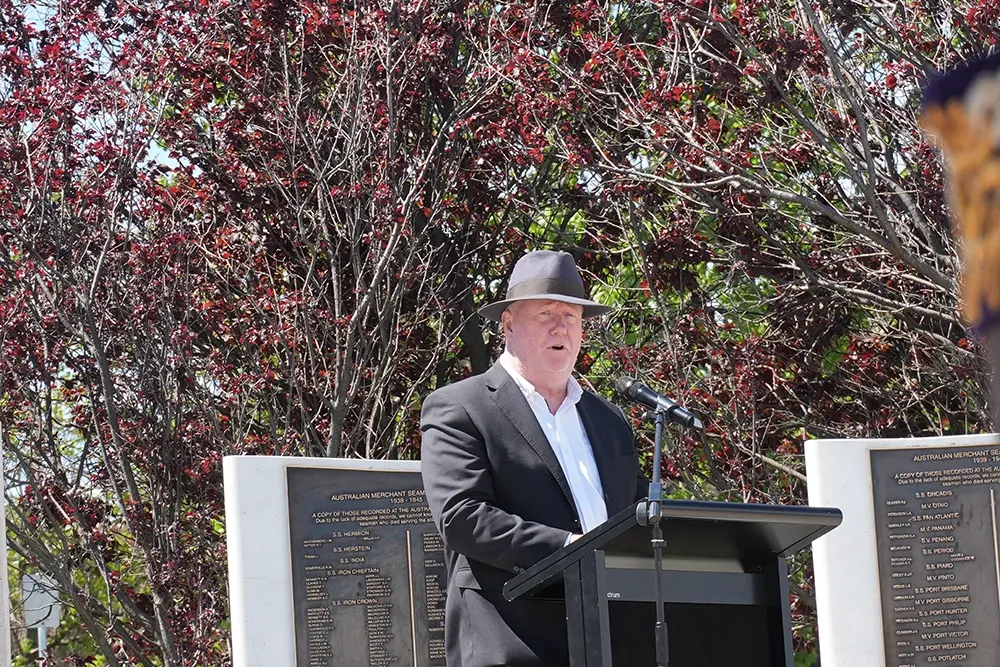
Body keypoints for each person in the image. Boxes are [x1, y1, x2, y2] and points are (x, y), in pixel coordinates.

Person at [420, 250, 648, 667]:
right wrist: (571, 549)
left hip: (613, 643)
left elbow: (632, 514)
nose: (562, 326)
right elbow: (462, 517)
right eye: (546, 313)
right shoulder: (461, 408)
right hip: (512, 643)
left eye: (573, 316)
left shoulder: (609, 419)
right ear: (507, 323)